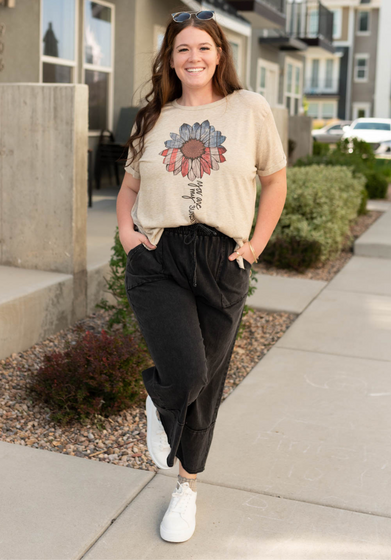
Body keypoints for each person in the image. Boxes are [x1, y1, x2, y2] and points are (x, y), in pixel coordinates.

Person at [116, 9, 287, 543]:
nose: (193, 57)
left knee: (207, 387)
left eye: (203, 48)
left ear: (220, 55)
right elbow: (128, 191)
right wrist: (127, 236)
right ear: (171, 58)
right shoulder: (153, 119)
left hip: (223, 260)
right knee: (186, 373)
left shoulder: (249, 109)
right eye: (182, 48)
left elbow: (275, 181)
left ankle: (185, 487)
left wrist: (255, 245)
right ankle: (160, 394)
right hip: (160, 257)